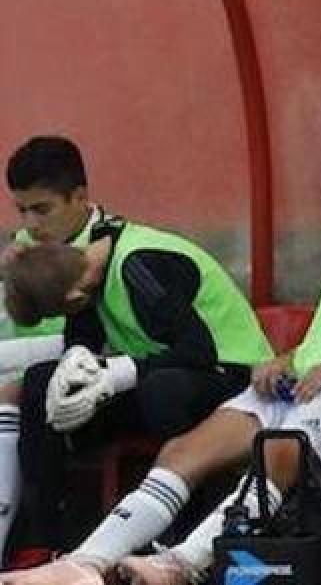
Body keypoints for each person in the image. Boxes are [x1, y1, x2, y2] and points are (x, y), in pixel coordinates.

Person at [0, 128, 321, 585]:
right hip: (295, 383)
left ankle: (183, 562)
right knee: (183, 450)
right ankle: (82, 562)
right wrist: (284, 359)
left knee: (280, 449)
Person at [1, 210, 274, 563]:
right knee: (40, 382)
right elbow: (83, 335)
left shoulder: (140, 266)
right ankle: (44, 542)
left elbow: (198, 350)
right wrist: (74, 368)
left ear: (72, 299)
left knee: (163, 391)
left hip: (231, 377)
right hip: (158, 377)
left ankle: (181, 529)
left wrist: (118, 372)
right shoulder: (85, 268)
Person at [0, 136, 106, 565]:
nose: (30, 223)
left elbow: (89, 343)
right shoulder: (21, 248)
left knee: (11, 393)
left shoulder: (107, 247)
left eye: (41, 210)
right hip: (33, 373)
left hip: (92, 377)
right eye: (21, 210)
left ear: (79, 197)